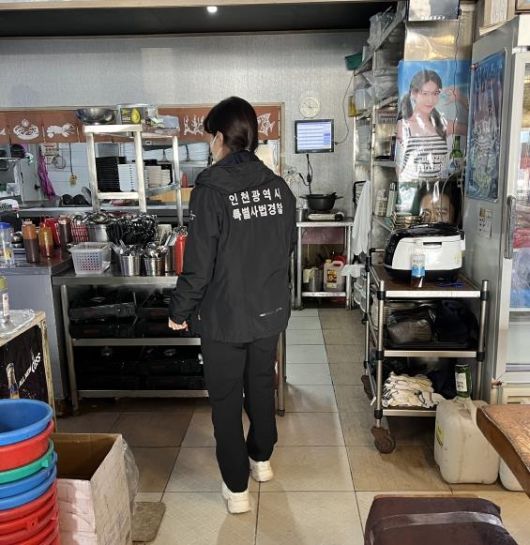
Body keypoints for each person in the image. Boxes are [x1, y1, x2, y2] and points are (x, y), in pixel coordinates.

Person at [168, 97, 296, 515]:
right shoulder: (279, 188)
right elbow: (286, 247)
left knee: (226, 399)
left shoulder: (210, 190)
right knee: (260, 385)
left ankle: (237, 488)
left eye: (211, 137)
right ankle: (261, 459)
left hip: (224, 316)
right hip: (268, 311)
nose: (211, 145)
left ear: (220, 137)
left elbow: (198, 263)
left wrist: (179, 310)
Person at [396, 69, 467, 184]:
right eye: (425, 94)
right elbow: (400, 168)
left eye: (435, 93)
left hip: (441, 190)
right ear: (413, 94)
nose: (430, 100)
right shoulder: (404, 125)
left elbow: (475, 129)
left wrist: (461, 98)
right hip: (413, 190)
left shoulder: (442, 124)